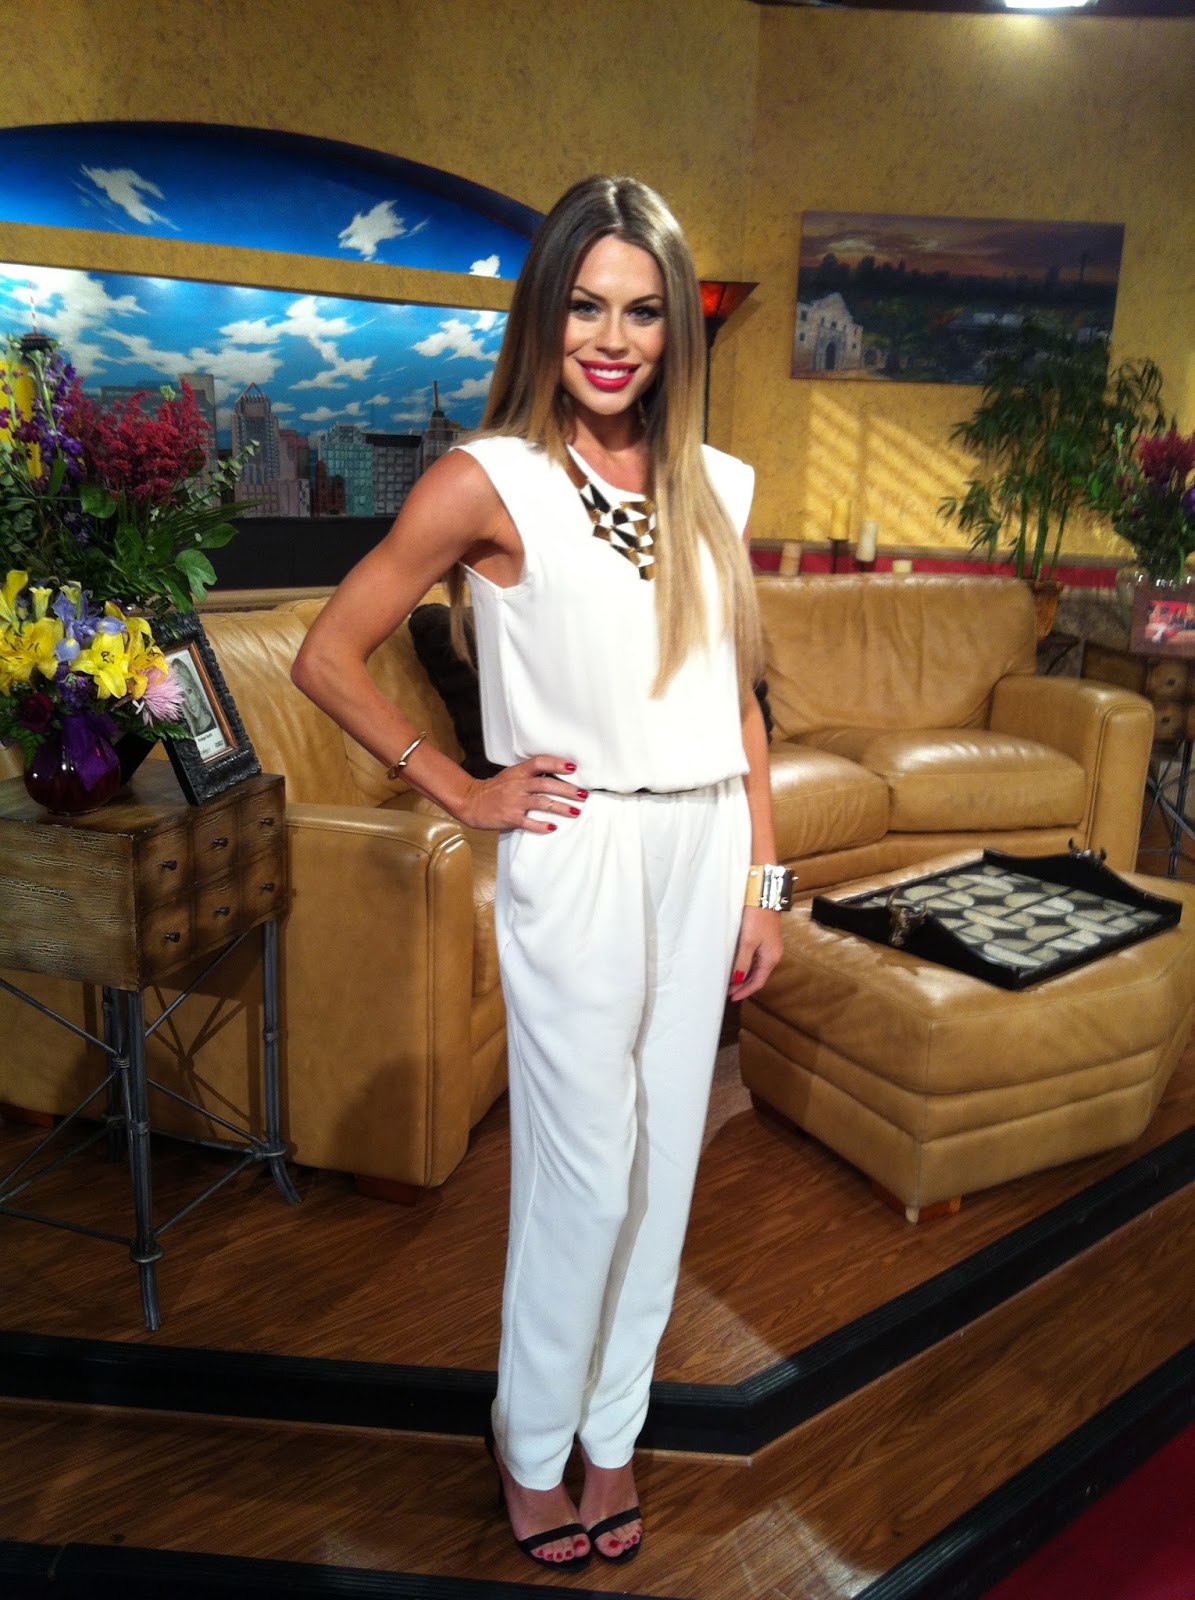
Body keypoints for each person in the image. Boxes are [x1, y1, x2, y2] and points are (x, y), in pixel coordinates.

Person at [291, 175, 786, 1573]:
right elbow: (329, 655)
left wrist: (766, 884)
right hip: (579, 850)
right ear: (545, 315)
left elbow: (739, 702)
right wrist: (458, 787)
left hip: (706, 846)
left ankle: (612, 1436)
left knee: (665, 1170)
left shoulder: (715, 488)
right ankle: (529, 1449)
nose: (612, 339)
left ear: (676, 331)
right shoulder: (488, 480)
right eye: (585, 306)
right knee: (584, 1175)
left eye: (642, 311)